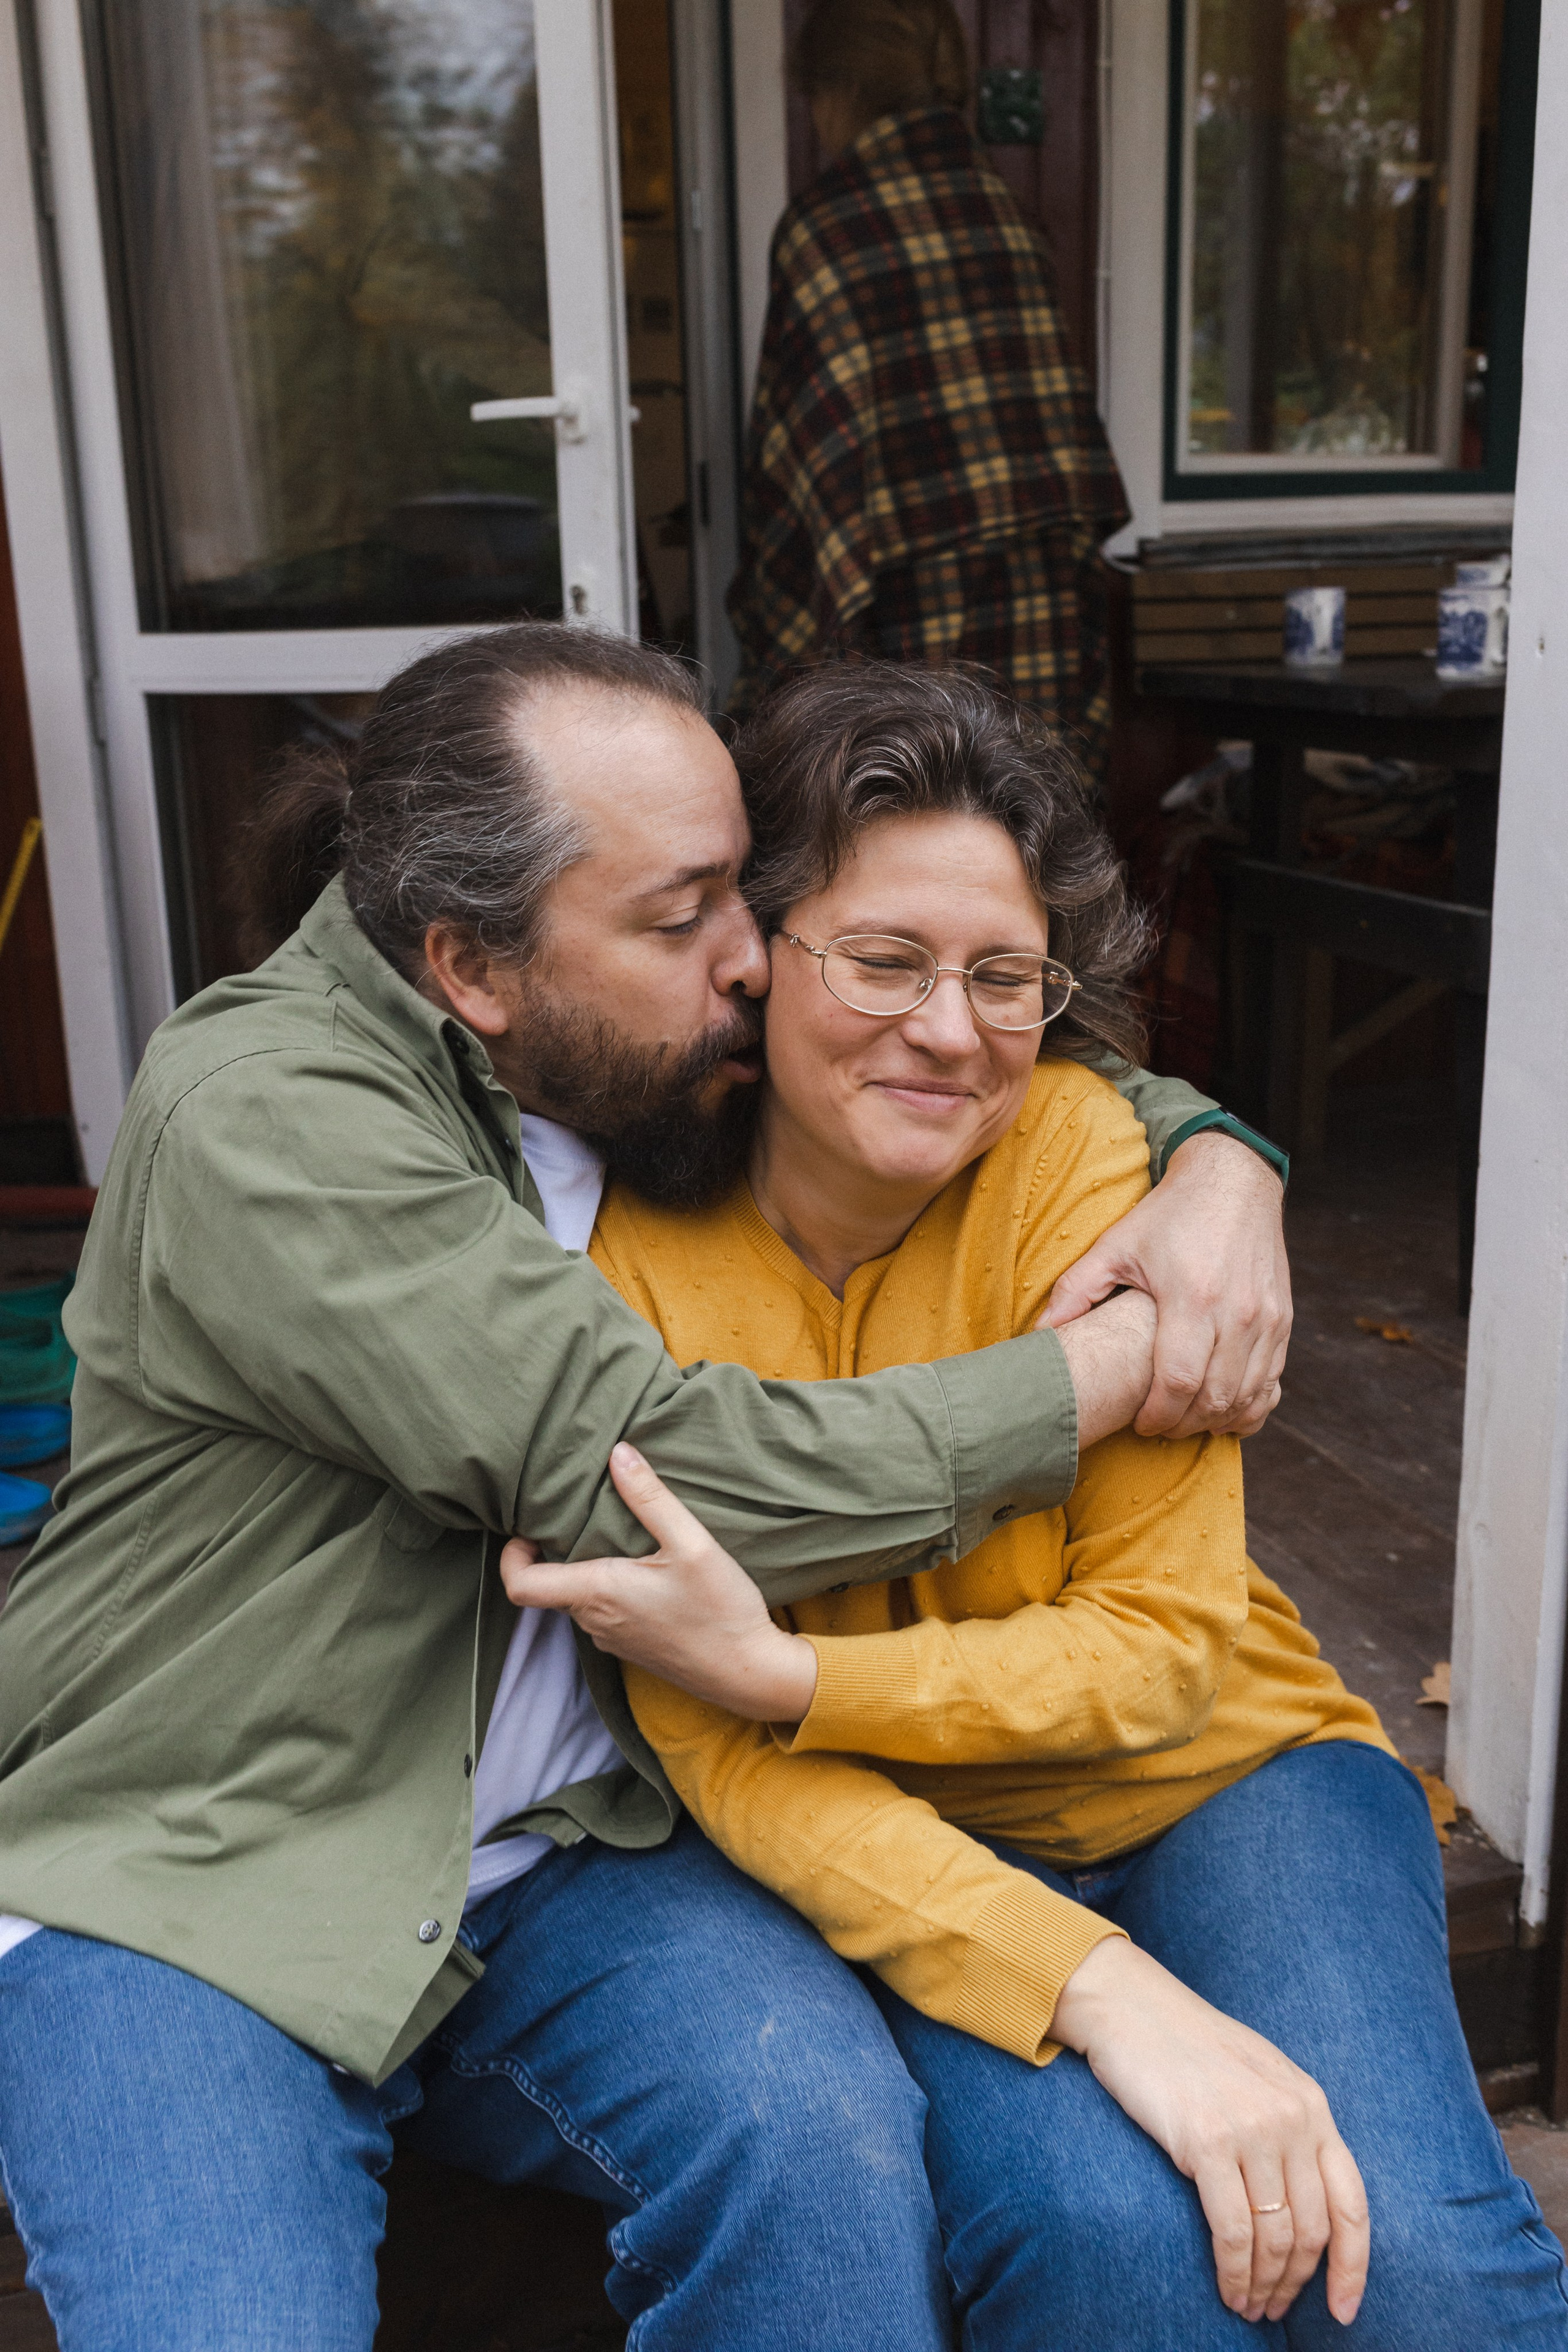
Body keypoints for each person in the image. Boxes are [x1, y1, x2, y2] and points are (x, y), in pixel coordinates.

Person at [0, 624, 1293, 2349]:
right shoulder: (269, 1112)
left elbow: (956, 1026)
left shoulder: (631, 1054)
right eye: (685, 916)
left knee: (825, 2161)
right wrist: (1110, 1370)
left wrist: (1220, 1166)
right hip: (202, 1869)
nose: (752, 961)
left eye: (741, 896)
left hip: (568, 1861)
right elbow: (666, 1475)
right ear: (473, 966)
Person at [509, 663, 1568, 2350]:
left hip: (1230, 1781)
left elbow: (1153, 1656)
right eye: (882, 959)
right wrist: (786, 1728)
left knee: (1415, 2266)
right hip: (905, 1844)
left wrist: (802, 1685)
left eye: (1005, 976)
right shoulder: (611, 1257)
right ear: (752, 959)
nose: (949, 1028)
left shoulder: (1086, 1162)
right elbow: (704, 1755)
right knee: (1100, 2242)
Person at [728, 0, 1128, 776]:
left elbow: (801, 482)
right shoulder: (1010, 219)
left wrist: (777, 623)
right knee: (1028, 805)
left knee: (904, 803)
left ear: (837, 93)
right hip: (1035, 591)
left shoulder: (827, 230)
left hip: (896, 612)